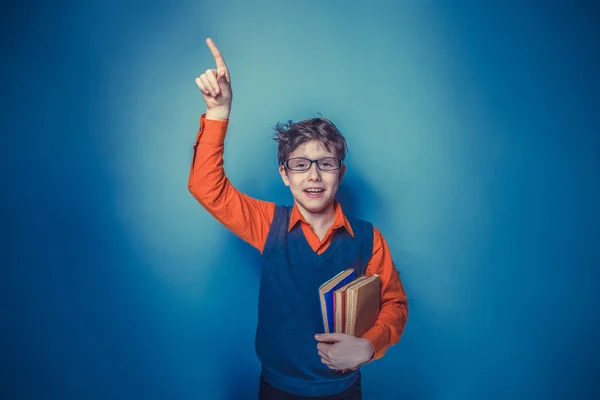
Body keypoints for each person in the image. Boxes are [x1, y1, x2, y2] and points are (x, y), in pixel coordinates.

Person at [189, 38, 408, 400]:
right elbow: (205, 187)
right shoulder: (267, 223)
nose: (314, 176)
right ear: (284, 175)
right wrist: (219, 111)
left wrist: (368, 346)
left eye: (325, 164)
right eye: (301, 165)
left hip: (344, 389)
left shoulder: (368, 239)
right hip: (277, 388)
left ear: (340, 172)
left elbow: (394, 305)